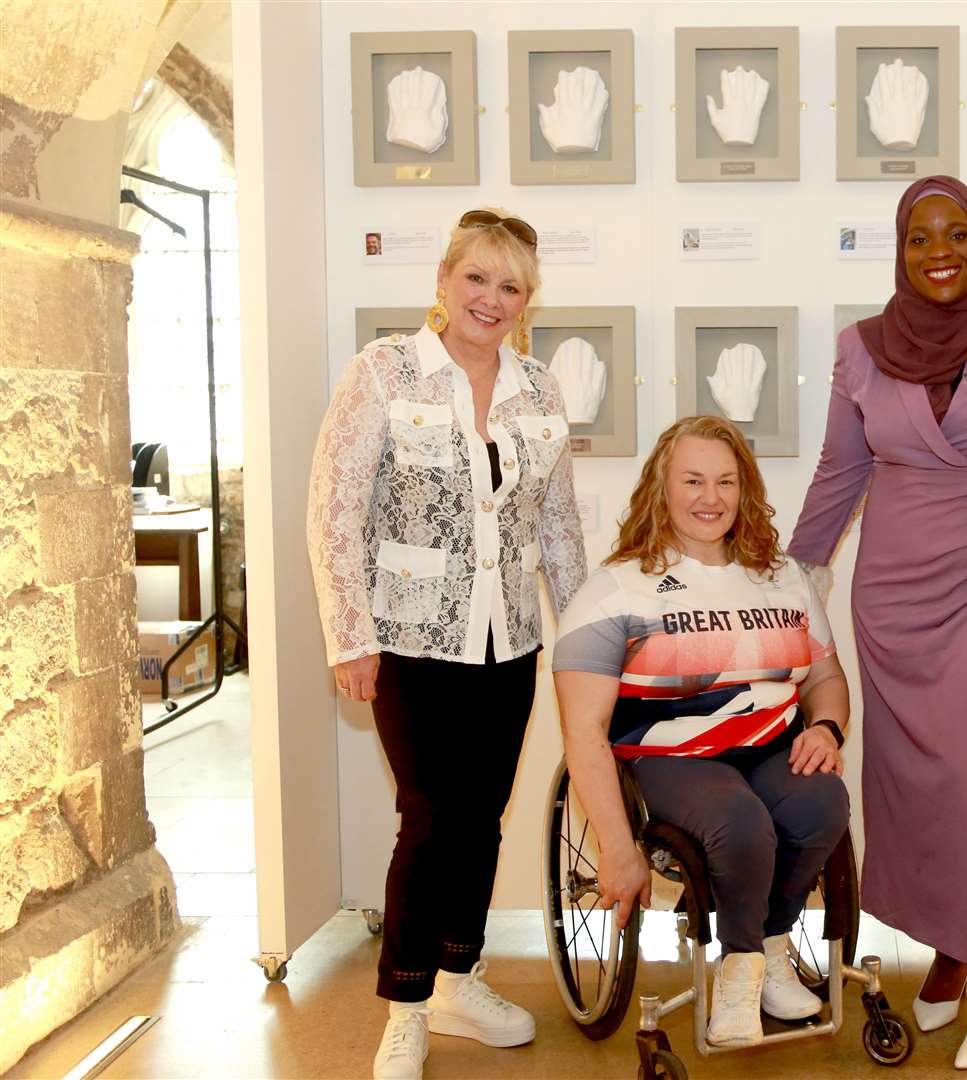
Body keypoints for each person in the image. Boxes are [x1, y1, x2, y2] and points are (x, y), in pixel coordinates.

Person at [306, 208, 587, 1080]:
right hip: (408, 639)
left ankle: (462, 975)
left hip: (511, 641)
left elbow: (560, 526)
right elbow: (333, 511)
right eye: (477, 278)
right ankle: (406, 1002)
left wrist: (582, 640)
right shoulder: (384, 372)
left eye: (510, 286)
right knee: (428, 820)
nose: (491, 299)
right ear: (444, 279)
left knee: (484, 815)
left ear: (528, 300)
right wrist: (350, 638)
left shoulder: (540, 389)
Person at [789, 176, 967, 1070]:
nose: (938, 249)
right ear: (899, 251)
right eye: (918, 237)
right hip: (896, 594)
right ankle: (953, 945)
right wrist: (794, 582)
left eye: (956, 232)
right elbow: (839, 470)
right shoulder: (861, 347)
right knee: (929, 781)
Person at [552, 416, 852, 1049]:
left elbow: (826, 675)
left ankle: (767, 940)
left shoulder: (785, 577)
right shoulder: (613, 589)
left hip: (770, 745)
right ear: (660, 489)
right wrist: (615, 845)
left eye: (724, 481)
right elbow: (583, 731)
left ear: (745, 491)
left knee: (824, 802)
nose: (709, 497)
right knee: (740, 822)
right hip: (671, 757)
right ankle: (741, 971)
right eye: (691, 480)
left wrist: (826, 727)